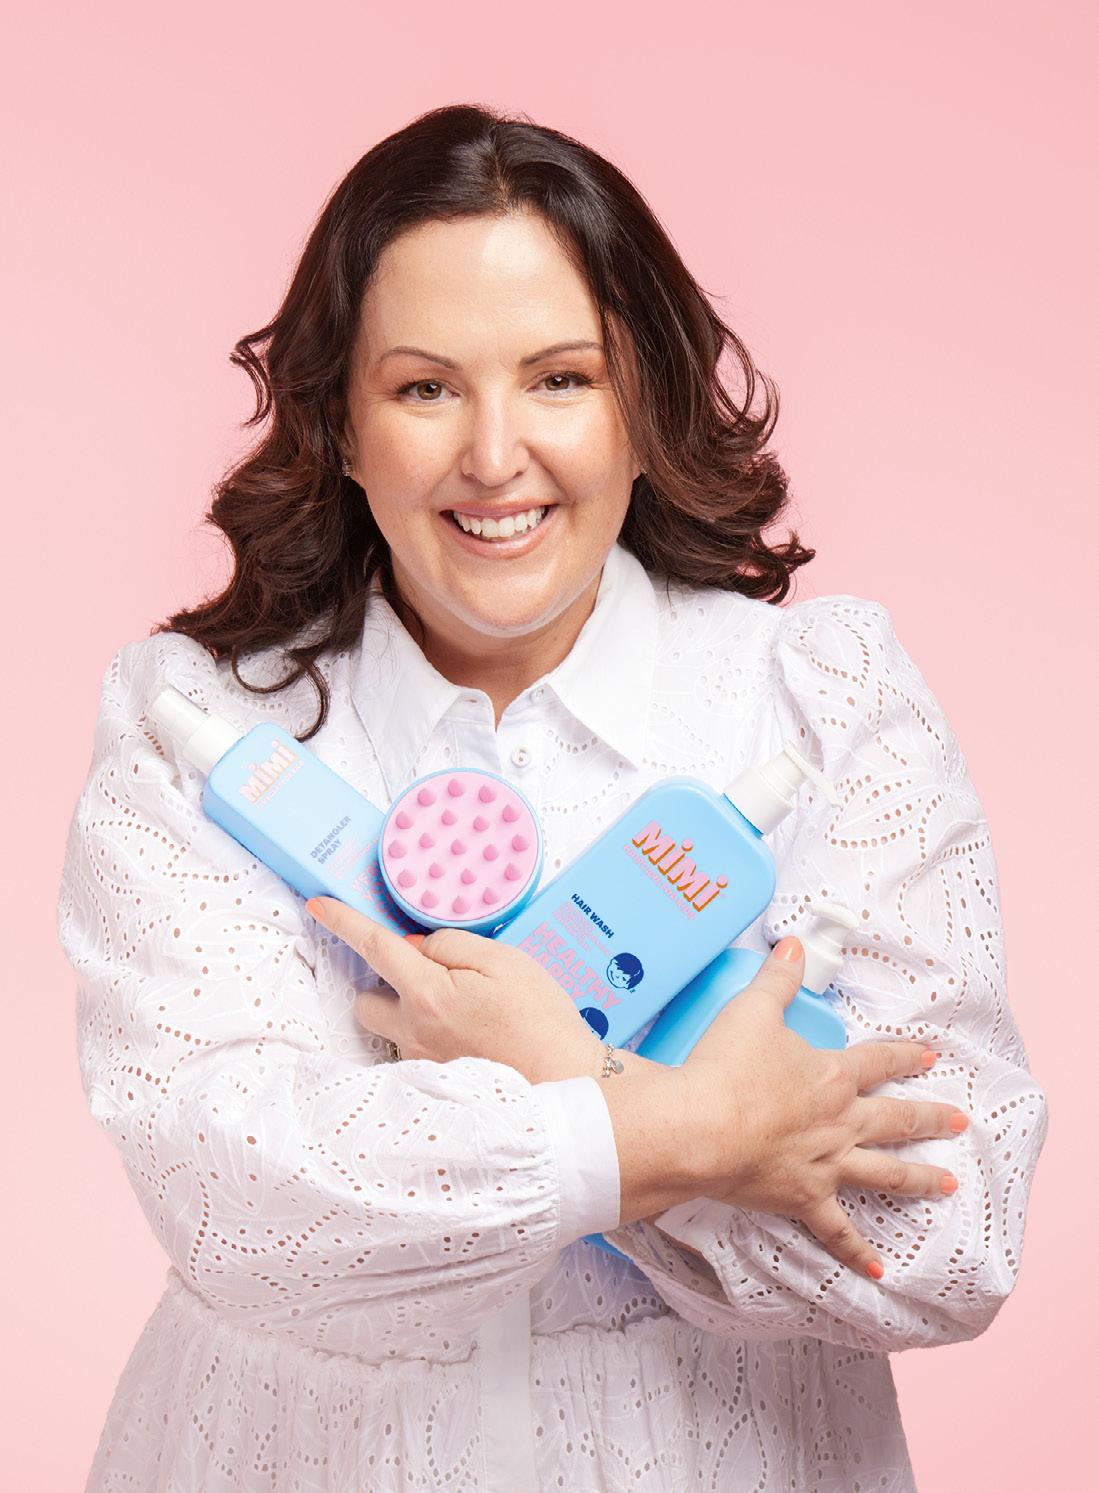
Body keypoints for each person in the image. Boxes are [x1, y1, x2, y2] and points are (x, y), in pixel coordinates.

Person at [57, 102, 1047, 1492]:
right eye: (425, 389)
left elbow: (952, 1240)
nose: (494, 454)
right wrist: (698, 1130)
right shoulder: (202, 726)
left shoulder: (819, 704)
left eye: (561, 379)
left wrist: (561, 1075)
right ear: (340, 425)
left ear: (644, 405)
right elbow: (239, 1204)